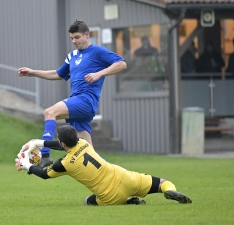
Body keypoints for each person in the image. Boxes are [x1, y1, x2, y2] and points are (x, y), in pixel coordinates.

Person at [18, 20, 127, 168]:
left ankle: (45, 154)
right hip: (77, 103)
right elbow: (57, 73)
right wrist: (33, 72)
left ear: (87, 35)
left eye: (77, 37)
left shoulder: (97, 52)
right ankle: (120, 181)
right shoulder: (72, 56)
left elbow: (121, 64)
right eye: (72, 38)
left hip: (86, 101)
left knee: (50, 112)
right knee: (91, 156)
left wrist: (99, 74)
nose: (74, 41)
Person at [16, 125, 193, 206]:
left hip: (109, 196)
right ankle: (169, 190)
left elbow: (45, 174)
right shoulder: (84, 142)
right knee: (162, 182)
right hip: (125, 177)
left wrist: (26, 165)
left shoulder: (64, 164)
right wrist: (40, 143)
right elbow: (61, 143)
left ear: (63, 143)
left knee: (87, 201)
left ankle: (127, 202)